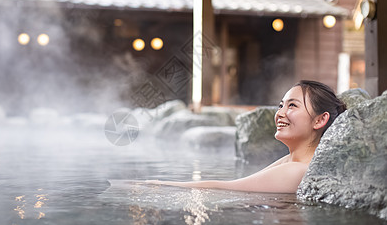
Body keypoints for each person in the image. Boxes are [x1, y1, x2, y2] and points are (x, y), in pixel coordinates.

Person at [145, 80, 347, 193]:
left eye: (292, 105)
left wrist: (157, 185)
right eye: (281, 105)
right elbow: (245, 181)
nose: (280, 113)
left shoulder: (297, 169)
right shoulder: (293, 160)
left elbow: (228, 189)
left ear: (320, 120)